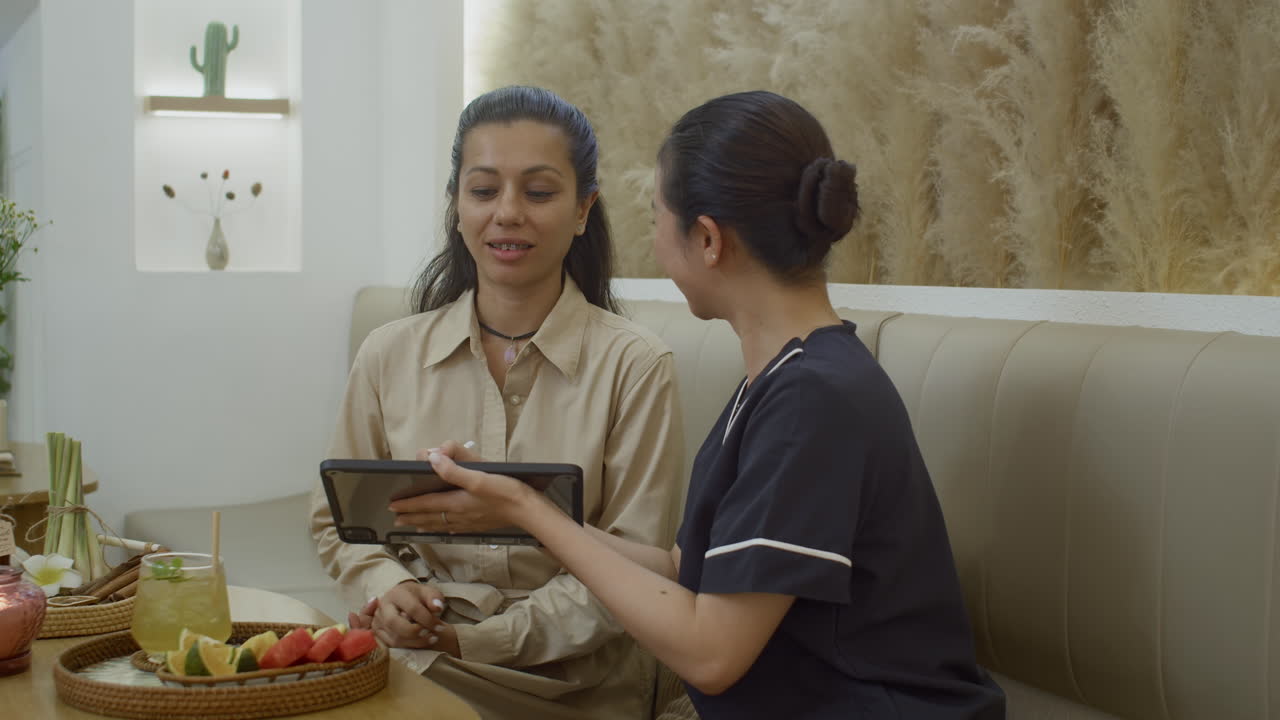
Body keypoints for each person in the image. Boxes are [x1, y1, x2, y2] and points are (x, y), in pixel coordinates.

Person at [423, 91, 1007, 719]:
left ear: (705, 239)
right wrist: (523, 510)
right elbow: (684, 567)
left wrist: (527, 512)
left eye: (656, 217)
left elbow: (709, 656)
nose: (653, 241)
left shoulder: (814, 399)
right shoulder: (785, 376)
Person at [310, 85, 685, 720]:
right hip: (417, 651)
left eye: (538, 192)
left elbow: (638, 578)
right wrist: (390, 585)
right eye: (483, 191)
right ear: (457, 206)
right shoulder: (387, 354)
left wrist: (470, 640)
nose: (507, 213)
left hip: (574, 682)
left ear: (582, 209)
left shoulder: (636, 365)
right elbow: (336, 521)